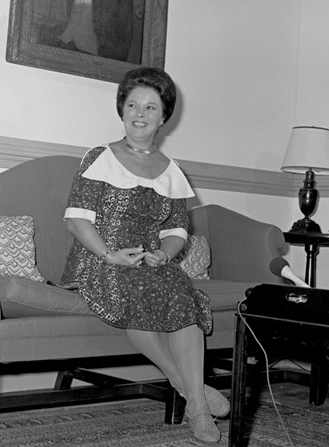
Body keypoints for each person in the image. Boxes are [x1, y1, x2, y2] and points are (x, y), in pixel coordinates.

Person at [60, 67, 228, 443]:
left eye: (150, 107)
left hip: (147, 261)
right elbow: (76, 220)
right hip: (99, 258)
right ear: (121, 110)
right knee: (135, 290)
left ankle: (190, 393)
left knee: (181, 295)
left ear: (164, 116)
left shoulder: (171, 171)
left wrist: (165, 256)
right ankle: (196, 401)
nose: (139, 113)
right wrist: (109, 254)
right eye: (132, 104)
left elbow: (176, 230)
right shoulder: (99, 157)